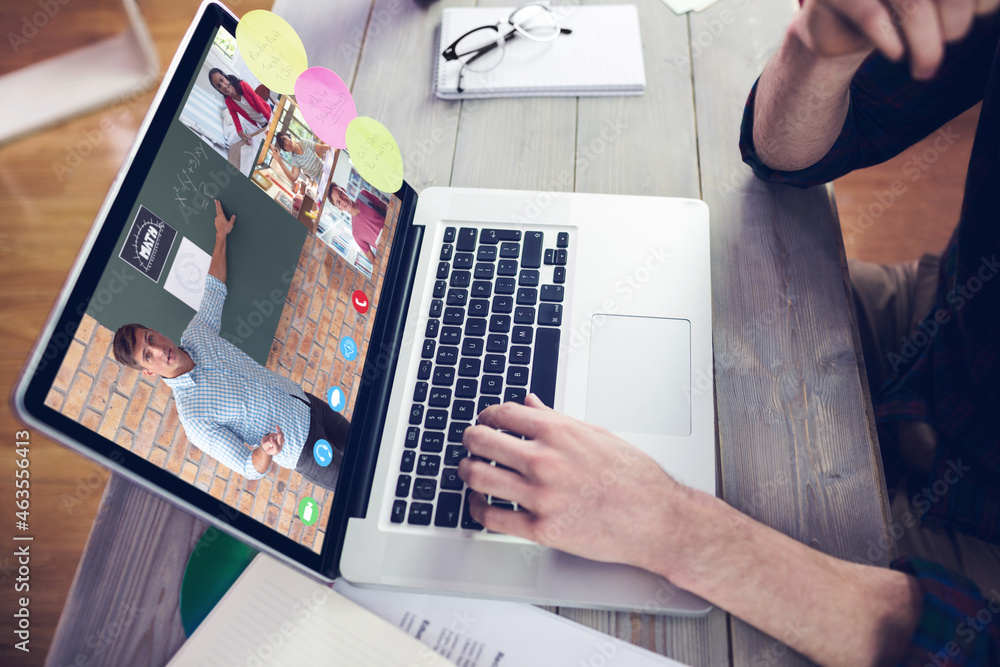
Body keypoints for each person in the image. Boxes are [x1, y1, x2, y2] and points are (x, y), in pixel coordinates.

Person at [457, 1, 1000, 664]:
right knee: (609, 295)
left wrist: (674, 526)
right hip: (939, 335)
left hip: (973, 556)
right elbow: (786, 151)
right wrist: (822, 47)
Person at [111, 200, 348, 490]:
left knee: (369, 447)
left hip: (312, 405)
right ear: (148, 371)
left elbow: (214, 287)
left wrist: (221, 235)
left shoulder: (197, 334)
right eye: (148, 356)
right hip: (303, 450)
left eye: (151, 339)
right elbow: (248, 466)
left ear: (155, 331)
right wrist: (266, 451)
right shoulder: (194, 419)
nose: (159, 349)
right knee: (361, 487)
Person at [327, 182, 387, 267]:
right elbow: (374, 262)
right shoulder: (355, 233)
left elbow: (386, 207)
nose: (343, 200)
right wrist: (381, 251)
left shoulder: (363, 195)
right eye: (338, 202)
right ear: (339, 208)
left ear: (343, 190)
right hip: (389, 248)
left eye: (340, 194)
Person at [208, 68, 271, 143]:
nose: (223, 86)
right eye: (219, 86)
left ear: (225, 76)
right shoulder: (228, 102)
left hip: (269, 115)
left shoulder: (243, 85)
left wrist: (270, 121)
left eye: (222, 80)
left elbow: (258, 102)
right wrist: (241, 134)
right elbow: (236, 120)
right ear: (219, 90)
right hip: (263, 125)